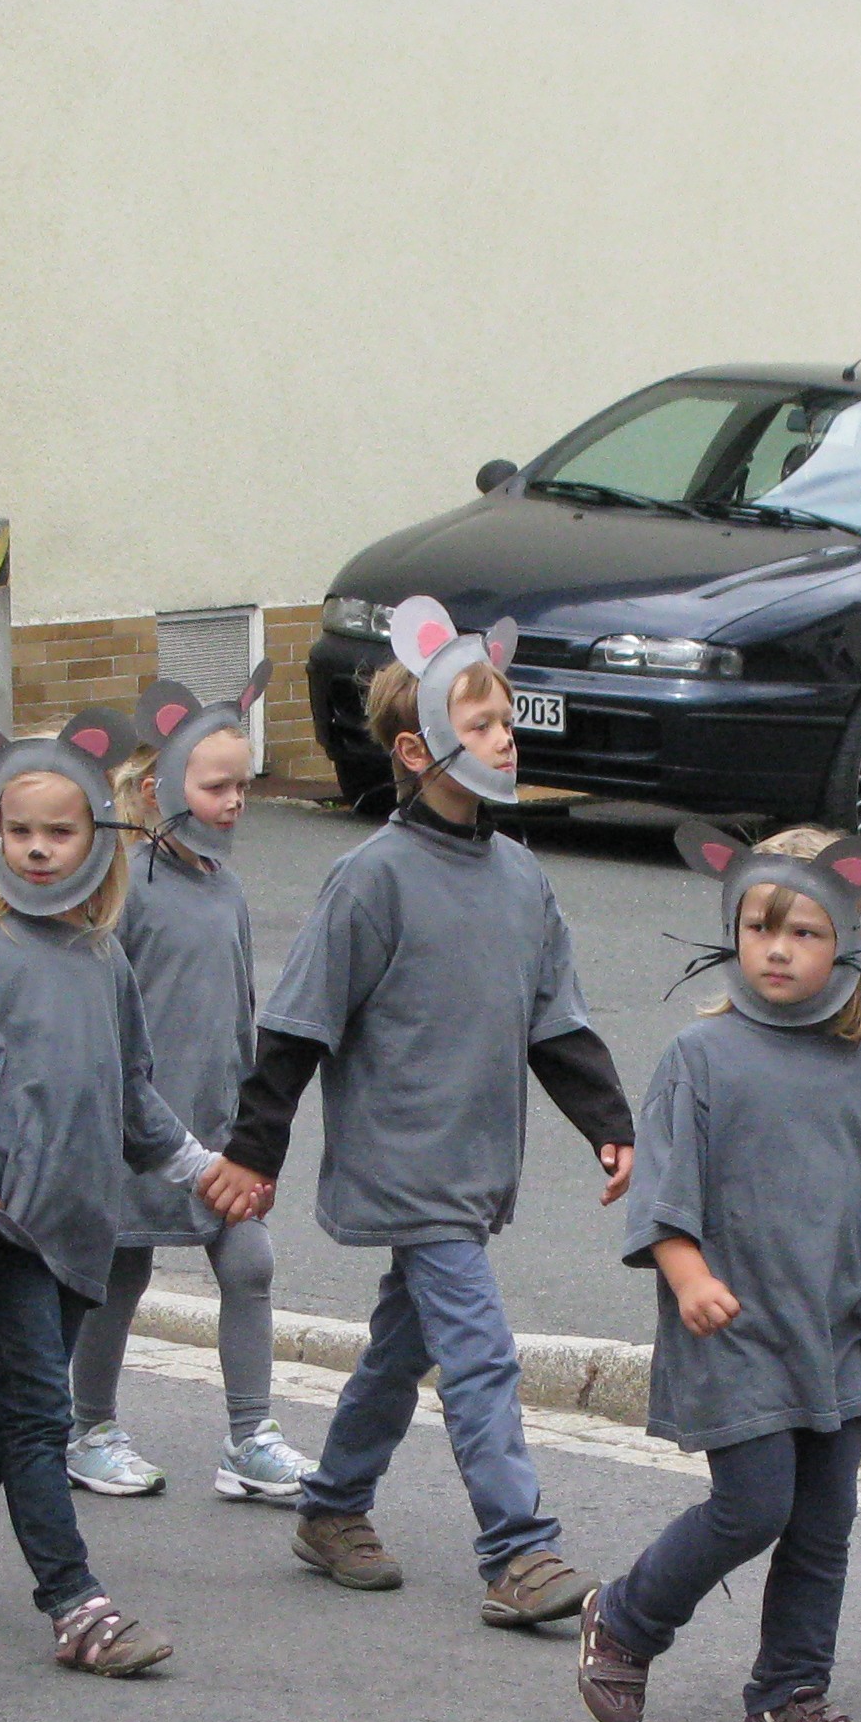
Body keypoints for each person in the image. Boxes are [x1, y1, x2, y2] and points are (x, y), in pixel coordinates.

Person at [214, 597, 632, 1630]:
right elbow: (296, 1027)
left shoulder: (521, 878)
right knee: (479, 1352)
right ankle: (518, 1550)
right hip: (406, 1163)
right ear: (417, 748)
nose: (506, 739)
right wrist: (254, 1152)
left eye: (506, 722)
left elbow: (556, 1023)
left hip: (474, 1162)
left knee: (405, 1346)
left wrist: (608, 1123)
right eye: (483, 724)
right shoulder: (372, 879)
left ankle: (331, 1507)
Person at [574, 822, 861, 1722]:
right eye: (760, 927)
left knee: (823, 1523)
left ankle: (791, 1696)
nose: (777, 949)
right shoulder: (700, 1056)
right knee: (754, 1506)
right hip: (739, 1331)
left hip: (841, 1329)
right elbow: (662, 1190)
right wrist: (688, 1277)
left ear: (846, 938)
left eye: (803, 932)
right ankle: (629, 1619)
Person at [0, 704, 258, 1674]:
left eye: (59, 831)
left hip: (81, 1220)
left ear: (98, 838)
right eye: (20, 832)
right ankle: (74, 1601)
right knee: (41, 1410)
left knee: (21, 1387)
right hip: (4, 1223)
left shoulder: (104, 958)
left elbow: (136, 1100)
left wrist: (203, 1169)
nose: (39, 849)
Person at [63, 666, 313, 1505]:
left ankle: (251, 1438)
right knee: (119, 1275)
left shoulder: (226, 886)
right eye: (217, 787)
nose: (236, 801)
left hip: (218, 1128)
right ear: (161, 788)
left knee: (248, 1263)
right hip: (137, 1130)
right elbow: (96, 1007)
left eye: (243, 785)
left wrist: (252, 1133)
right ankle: (88, 1427)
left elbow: (241, 1016)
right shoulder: (125, 883)